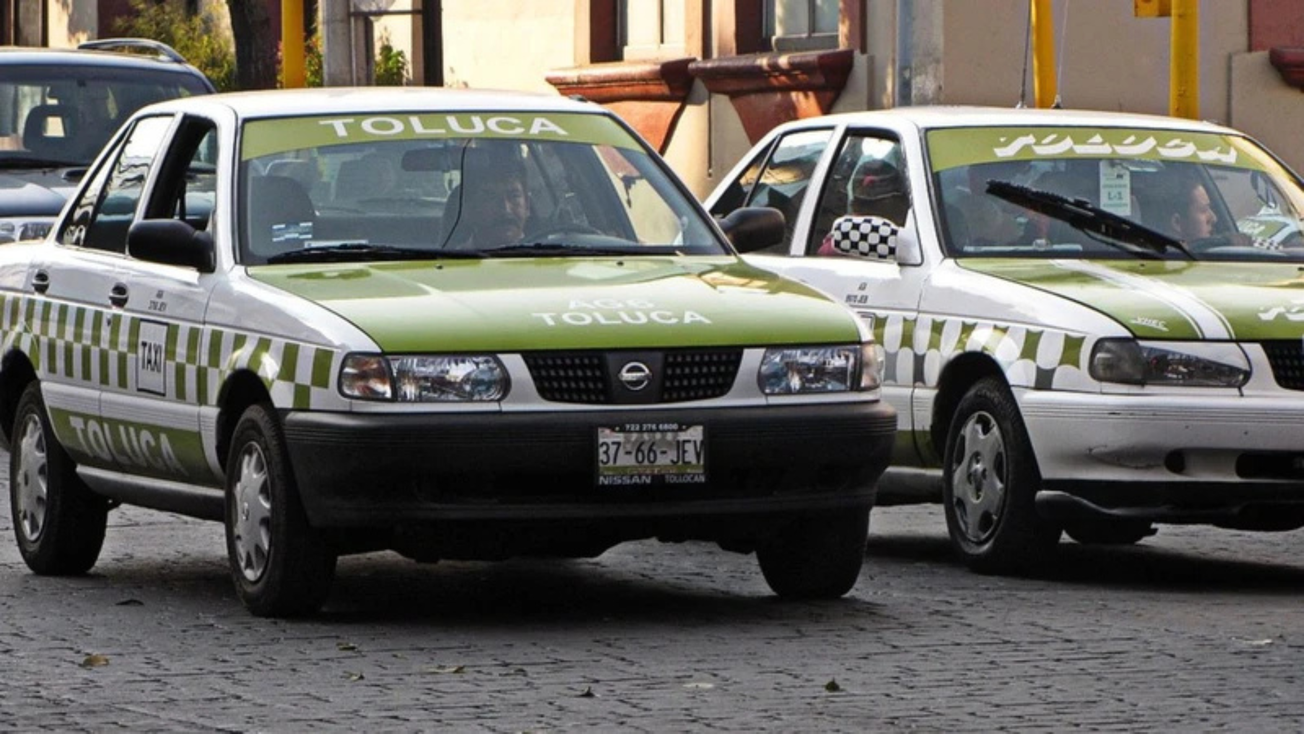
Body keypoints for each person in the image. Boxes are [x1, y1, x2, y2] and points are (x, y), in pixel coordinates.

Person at [441, 147, 530, 250]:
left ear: (527, 205)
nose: (505, 209)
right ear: (469, 209)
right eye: (491, 198)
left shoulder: (546, 257)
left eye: (514, 196)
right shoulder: (454, 264)